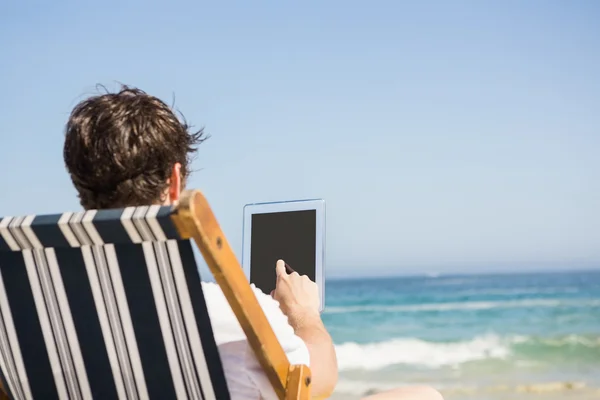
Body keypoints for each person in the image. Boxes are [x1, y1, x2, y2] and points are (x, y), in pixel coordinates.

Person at [63, 85, 442, 400]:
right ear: (176, 182)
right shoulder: (219, 313)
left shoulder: (35, 308)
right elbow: (315, 384)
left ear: (81, 185)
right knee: (422, 396)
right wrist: (304, 315)